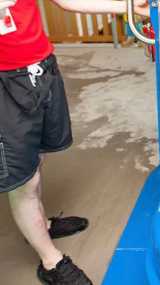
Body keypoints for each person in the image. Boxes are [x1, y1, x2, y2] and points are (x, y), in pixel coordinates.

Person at [0, 0, 148, 284]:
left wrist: (128, 8)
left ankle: (41, 224)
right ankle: (51, 262)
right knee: (23, 181)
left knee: (37, 159)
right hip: (5, 82)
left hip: (41, 69)